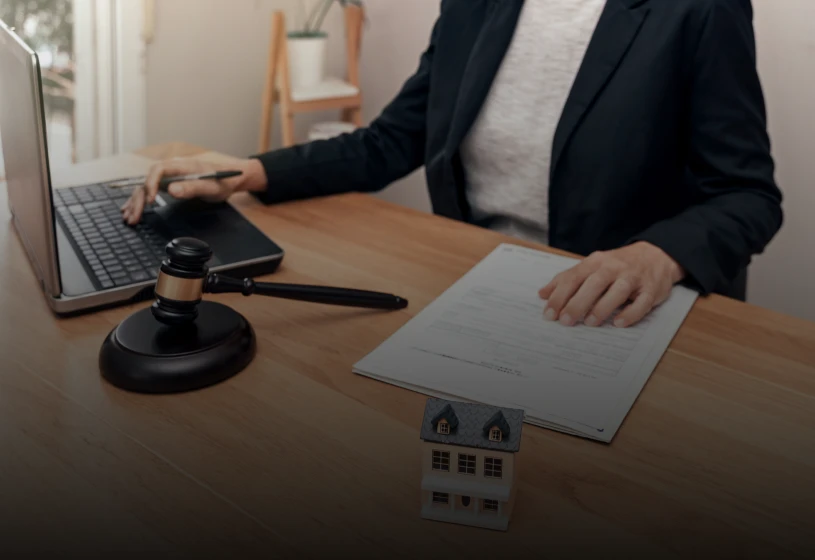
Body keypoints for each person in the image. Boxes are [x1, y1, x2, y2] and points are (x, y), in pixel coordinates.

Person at [122, 0, 783, 328]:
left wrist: (657, 254)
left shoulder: (697, 9)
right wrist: (248, 171)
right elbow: (392, 140)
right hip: (481, 296)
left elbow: (747, 196)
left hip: (610, 315)